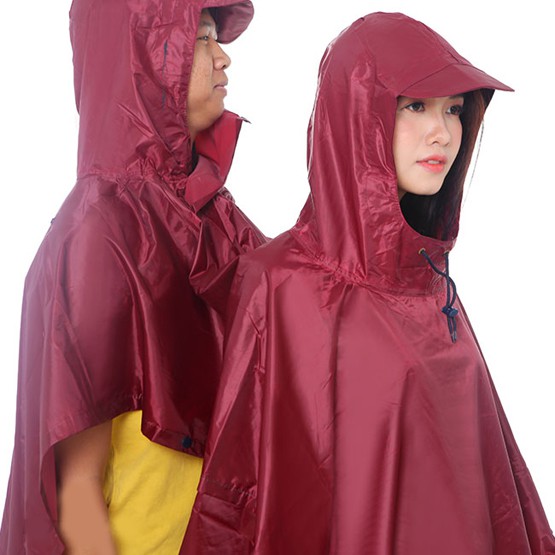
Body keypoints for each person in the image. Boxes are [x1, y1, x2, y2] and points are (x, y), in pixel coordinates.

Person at [181, 12, 555, 555]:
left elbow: (488, 485)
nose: (443, 132)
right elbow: (247, 490)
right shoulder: (282, 285)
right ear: (359, 115)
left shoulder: (428, 278)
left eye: (454, 110)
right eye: (415, 106)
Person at [0, 0, 265, 553]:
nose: (223, 59)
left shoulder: (216, 221)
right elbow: (75, 499)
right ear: (145, 55)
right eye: (202, 38)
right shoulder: (97, 235)